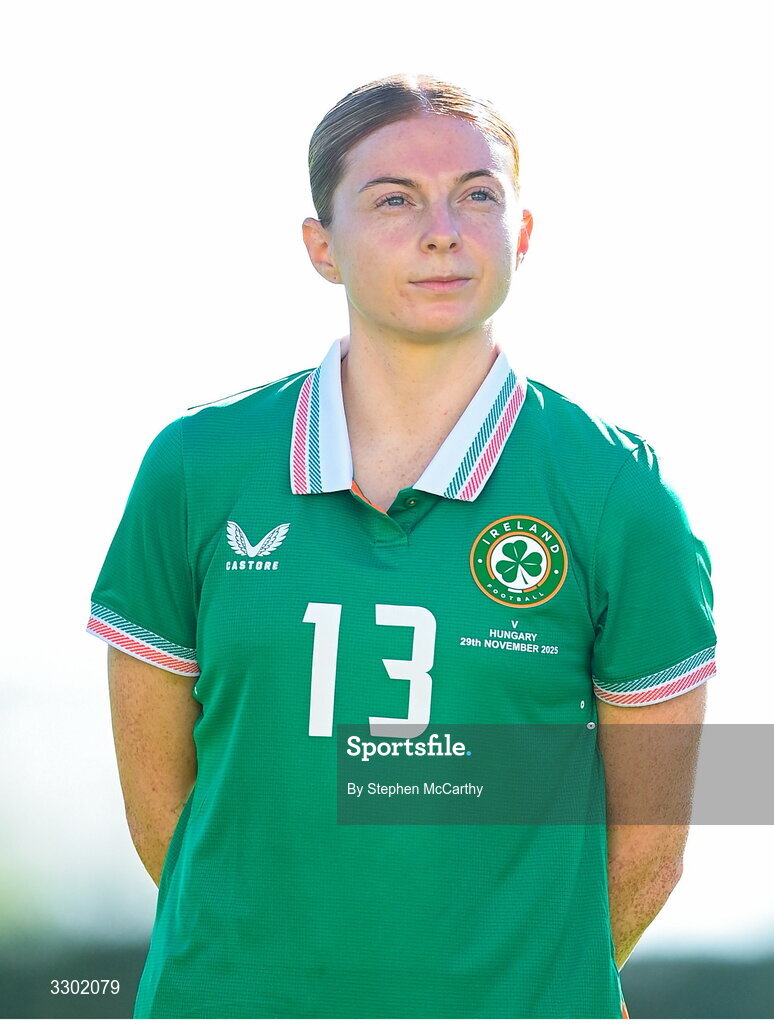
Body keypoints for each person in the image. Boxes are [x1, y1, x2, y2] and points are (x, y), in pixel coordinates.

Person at [87, 73, 716, 1019]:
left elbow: (651, 848)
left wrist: (508, 988)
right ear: (320, 247)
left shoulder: (619, 492)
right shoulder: (195, 469)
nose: (442, 230)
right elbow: (163, 815)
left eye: (477, 195)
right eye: (393, 199)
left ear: (524, 234)